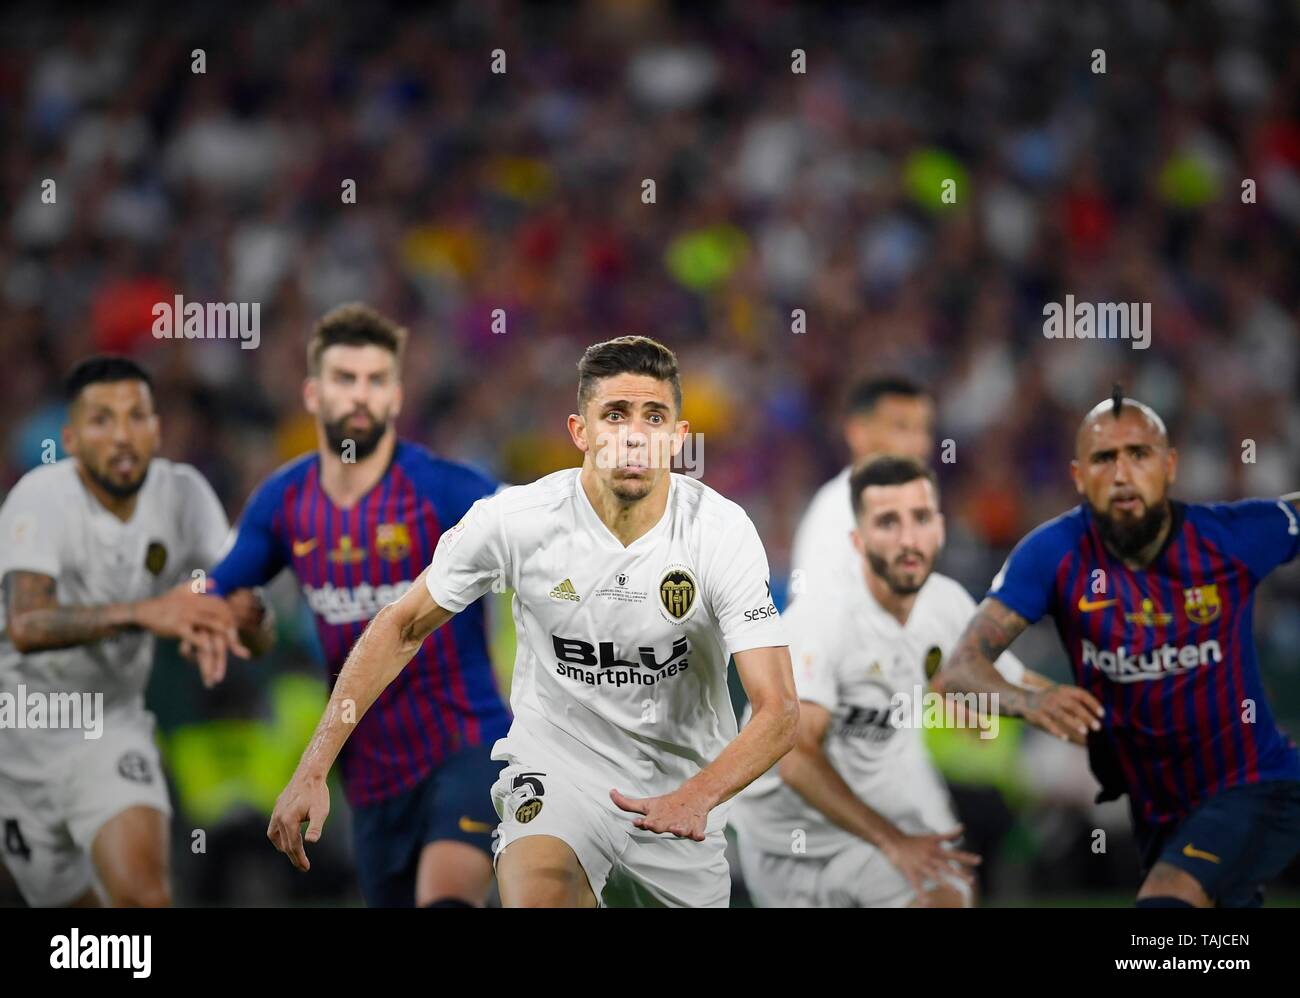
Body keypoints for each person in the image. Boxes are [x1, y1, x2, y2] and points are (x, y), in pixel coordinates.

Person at [266, 334, 798, 907]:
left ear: (678, 436)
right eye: (614, 415)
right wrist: (315, 765)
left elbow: (779, 710)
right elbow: (400, 626)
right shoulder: (516, 521)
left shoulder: (720, 532)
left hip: (678, 801)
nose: (634, 435)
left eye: (654, 416)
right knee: (541, 888)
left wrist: (698, 796)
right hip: (556, 772)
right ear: (580, 432)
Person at [937, 393, 1300, 907]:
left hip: (1250, 783)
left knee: (1164, 908)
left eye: (1139, 453)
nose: (1123, 472)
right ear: (1079, 476)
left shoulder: (1230, 537)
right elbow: (958, 671)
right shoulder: (1053, 554)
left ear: (1169, 465)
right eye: (1104, 458)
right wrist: (1031, 702)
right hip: (1162, 811)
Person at [205, 303, 510, 908]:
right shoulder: (284, 502)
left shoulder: (446, 488)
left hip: (469, 743)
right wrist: (247, 626)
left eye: (376, 381)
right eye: (346, 380)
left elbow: (541, 530)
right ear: (314, 394)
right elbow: (219, 596)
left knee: (446, 899)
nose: (361, 396)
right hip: (368, 775)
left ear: (397, 396)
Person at [732, 455, 1051, 907]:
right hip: (786, 844)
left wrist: (1114, 715)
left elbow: (1018, 689)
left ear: (941, 526)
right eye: (888, 522)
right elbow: (795, 758)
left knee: (946, 894)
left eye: (920, 518)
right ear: (857, 541)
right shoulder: (823, 618)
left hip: (871, 831)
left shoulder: (945, 604)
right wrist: (893, 840)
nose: (908, 538)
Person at [0, 356, 259, 907]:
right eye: (101, 420)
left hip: (109, 725)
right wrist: (146, 612)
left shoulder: (184, 495)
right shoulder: (41, 498)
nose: (122, 436)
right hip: (18, 734)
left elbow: (253, 618)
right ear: (70, 438)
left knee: (144, 900)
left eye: (136, 416)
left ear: (157, 428)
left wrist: (226, 613)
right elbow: (26, 624)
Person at [789, 375, 934, 605]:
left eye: (923, 429)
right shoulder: (837, 509)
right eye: (902, 427)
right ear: (858, 433)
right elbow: (807, 614)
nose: (919, 443)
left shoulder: (921, 508)